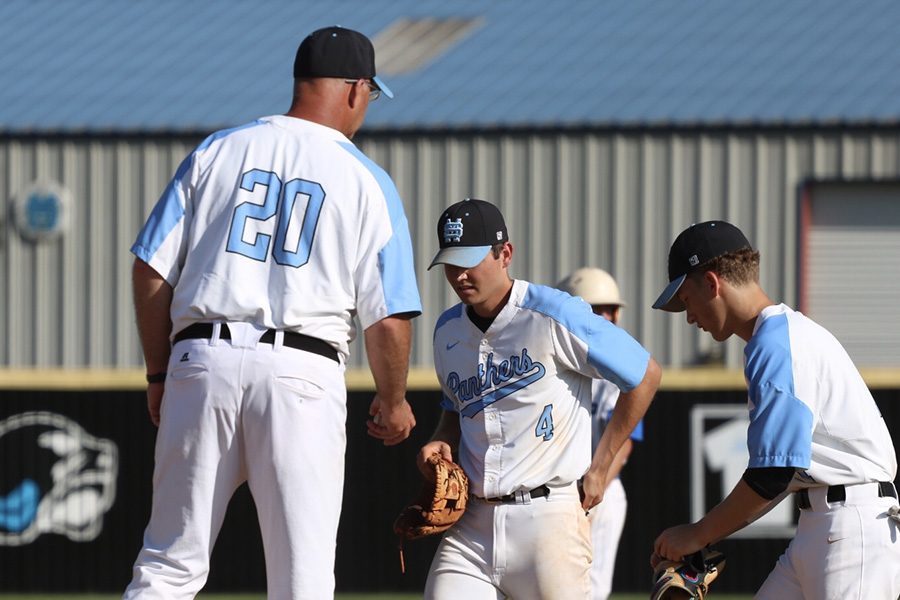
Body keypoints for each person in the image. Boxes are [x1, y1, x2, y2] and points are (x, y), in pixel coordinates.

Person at [125, 26, 422, 599]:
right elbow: (387, 318)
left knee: (168, 565)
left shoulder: (218, 149)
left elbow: (150, 269)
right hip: (301, 375)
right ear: (357, 89)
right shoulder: (366, 179)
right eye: (371, 95)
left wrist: (160, 373)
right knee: (302, 578)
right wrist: (393, 401)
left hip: (201, 358)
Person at [419, 198, 661, 600]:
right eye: (450, 263)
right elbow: (454, 411)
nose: (459, 274)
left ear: (505, 254)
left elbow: (645, 374)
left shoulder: (553, 313)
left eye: (470, 259)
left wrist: (600, 467)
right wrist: (440, 441)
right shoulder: (447, 330)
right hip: (472, 527)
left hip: (548, 519)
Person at [650, 220, 900, 598]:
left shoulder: (778, 344)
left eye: (686, 300)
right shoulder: (779, 337)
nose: (688, 316)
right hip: (824, 524)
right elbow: (781, 476)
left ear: (713, 284)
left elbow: (773, 474)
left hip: (853, 528)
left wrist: (699, 533)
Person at [556, 267, 643, 600]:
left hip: (598, 490)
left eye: (605, 310)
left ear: (616, 315)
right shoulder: (549, 365)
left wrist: (593, 490)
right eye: (591, 310)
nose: (600, 317)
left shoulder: (617, 374)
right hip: (552, 490)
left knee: (589, 591)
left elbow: (623, 446)